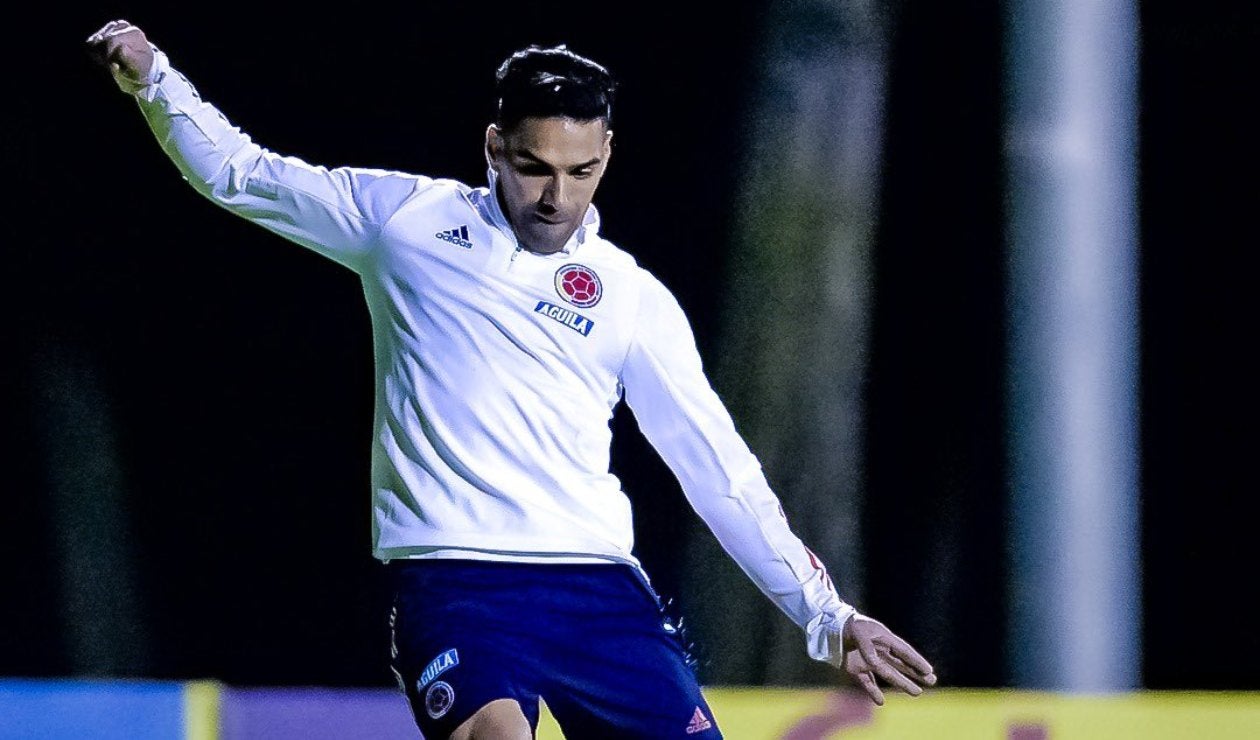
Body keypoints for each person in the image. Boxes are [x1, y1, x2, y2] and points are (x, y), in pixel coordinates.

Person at [85, 18, 936, 740]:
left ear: (607, 153)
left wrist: (828, 617)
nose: (557, 197)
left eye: (581, 171)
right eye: (534, 167)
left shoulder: (629, 295)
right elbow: (241, 174)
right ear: (493, 146)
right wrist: (156, 81)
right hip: (457, 584)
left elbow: (718, 470)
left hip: (599, 589)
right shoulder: (406, 222)